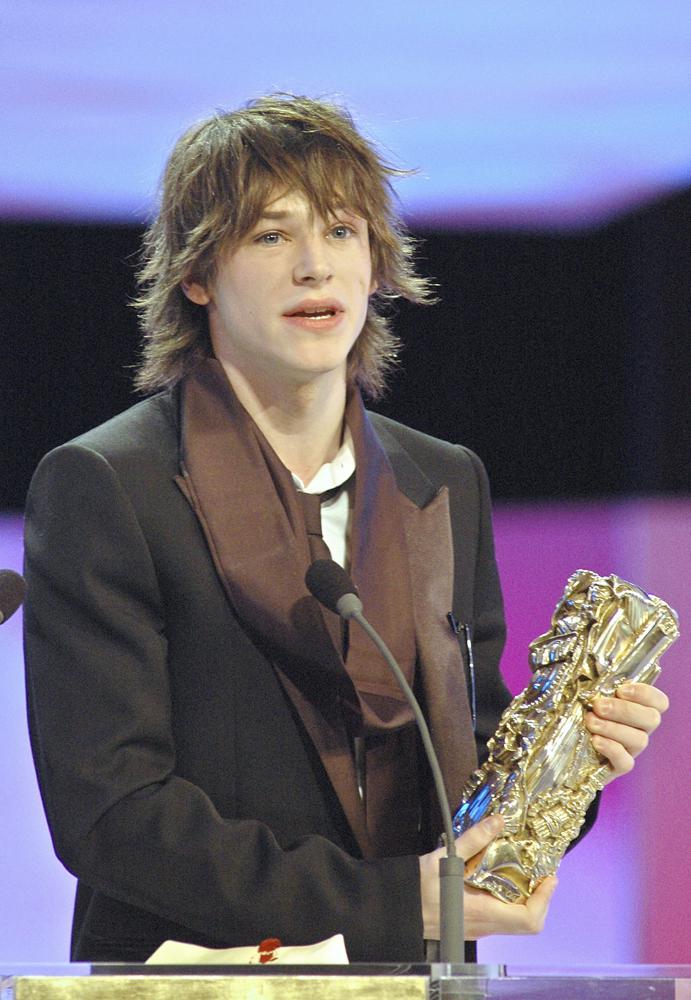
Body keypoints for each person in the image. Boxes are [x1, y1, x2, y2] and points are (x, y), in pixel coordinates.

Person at [23, 94, 669, 964]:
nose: (313, 268)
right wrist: (398, 903)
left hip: (415, 978)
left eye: (340, 232)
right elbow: (115, 816)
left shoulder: (441, 479)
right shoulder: (108, 484)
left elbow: (468, 764)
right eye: (269, 236)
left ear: (376, 265)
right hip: (199, 977)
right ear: (195, 274)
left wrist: (571, 763)